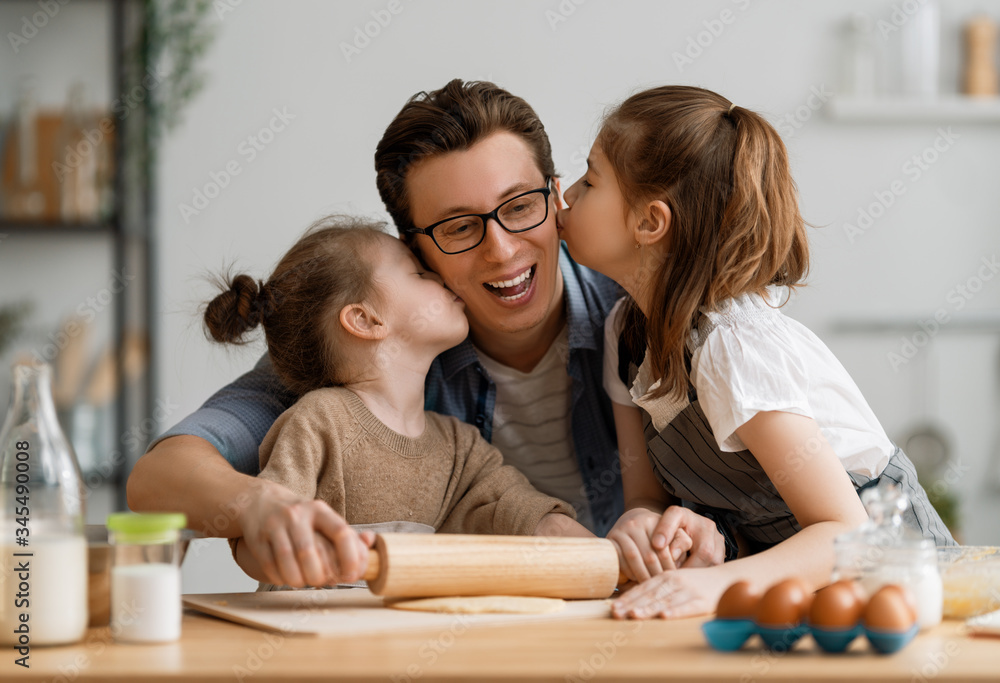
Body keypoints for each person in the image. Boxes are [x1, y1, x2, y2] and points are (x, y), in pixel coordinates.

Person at [127, 80, 727, 587]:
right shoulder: (370, 361)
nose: (502, 249)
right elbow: (161, 475)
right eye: (458, 227)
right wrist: (259, 505)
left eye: (520, 206)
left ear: (557, 196)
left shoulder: (643, 318)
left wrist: (702, 534)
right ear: (414, 249)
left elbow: (776, 499)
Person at [556, 85, 955, 619]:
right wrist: (645, 525)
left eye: (589, 179)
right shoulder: (624, 333)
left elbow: (847, 532)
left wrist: (714, 585)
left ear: (649, 223)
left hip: (898, 580)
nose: (568, 197)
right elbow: (647, 497)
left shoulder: (733, 347)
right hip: (788, 593)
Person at [200, 217, 588, 587]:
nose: (440, 276)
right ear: (366, 321)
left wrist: (606, 551)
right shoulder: (319, 421)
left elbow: (518, 510)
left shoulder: (460, 446)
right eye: (419, 274)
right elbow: (258, 537)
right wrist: (289, 555)